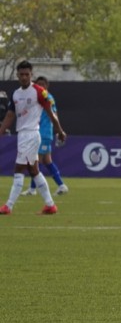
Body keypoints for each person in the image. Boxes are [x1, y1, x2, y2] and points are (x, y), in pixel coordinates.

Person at [1, 62, 66, 217]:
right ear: (17, 75)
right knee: (34, 170)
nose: (24, 77)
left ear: (31, 75)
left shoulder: (38, 91)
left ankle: (8, 206)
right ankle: (50, 205)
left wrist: (60, 130)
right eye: (21, 74)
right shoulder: (16, 94)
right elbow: (10, 116)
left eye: (27, 74)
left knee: (18, 169)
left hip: (31, 134)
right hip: (22, 135)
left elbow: (50, 113)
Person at [26, 76, 69, 195]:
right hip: (42, 133)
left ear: (46, 86)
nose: (39, 86)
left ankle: (33, 189)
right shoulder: (39, 98)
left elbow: (54, 115)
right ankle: (61, 185)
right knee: (46, 161)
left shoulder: (48, 98)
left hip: (43, 134)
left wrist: (59, 131)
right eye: (38, 84)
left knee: (36, 161)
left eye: (42, 84)